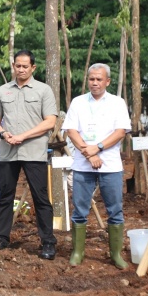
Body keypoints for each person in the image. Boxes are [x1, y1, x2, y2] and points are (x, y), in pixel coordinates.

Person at [0, 49, 58, 260]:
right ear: (13, 66)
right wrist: (3, 133)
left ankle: (47, 242)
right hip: (8, 151)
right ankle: (1, 238)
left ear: (33, 68)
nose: (21, 69)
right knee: (4, 196)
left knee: (40, 198)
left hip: (33, 151)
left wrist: (23, 136)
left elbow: (50, 121)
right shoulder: (3, 90)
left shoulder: (43, 90)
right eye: (17, 66)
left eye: (25, 66)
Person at [62, 63, 131, 269]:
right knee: (79, 209)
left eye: (99, 79)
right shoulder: (78, 102)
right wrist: (88, 152)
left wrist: (98, 148)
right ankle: (77, 252)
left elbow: (120, 132)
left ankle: (116, 254)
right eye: (91, 79)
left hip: (110, 164)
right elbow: (71, 131)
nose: (95, 83)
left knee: (115, 209)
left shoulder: (117, 103)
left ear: (107, 81)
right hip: (83, 165)